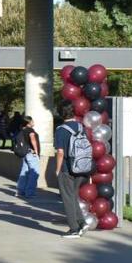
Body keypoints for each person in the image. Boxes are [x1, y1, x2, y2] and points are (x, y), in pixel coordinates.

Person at [54, 102, 89, 238]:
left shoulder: (61, 130)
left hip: (67, 169)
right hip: (81, 167)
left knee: (67, 199)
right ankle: (82, 223)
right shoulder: (81, 127)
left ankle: (73, 229)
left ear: (61, 114)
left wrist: (57, 169)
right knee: (73, 196)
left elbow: (60, 152)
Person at [15, 116, 41, 199]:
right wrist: (36, 151)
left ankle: (20, 191)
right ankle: (30, 192)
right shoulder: (30, 130)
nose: (33, 122)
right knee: (34, 173)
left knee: (24, 173)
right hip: (31, 154)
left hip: (25, 154)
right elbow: (32, 138)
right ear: (29, 122)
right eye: (32, 120)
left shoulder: (22, 130)